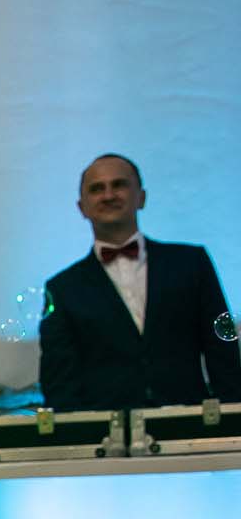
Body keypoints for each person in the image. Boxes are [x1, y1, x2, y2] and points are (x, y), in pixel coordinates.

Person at [39, 152, 240, 411]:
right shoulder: (62, 289)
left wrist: (232, 416)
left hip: (187, 422)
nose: (108, 195)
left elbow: (222, 343)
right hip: (107, 430)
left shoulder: (192, 263)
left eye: (119, 185)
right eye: (97, 189)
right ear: (82, 207)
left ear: (141, 197)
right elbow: (58, 381)